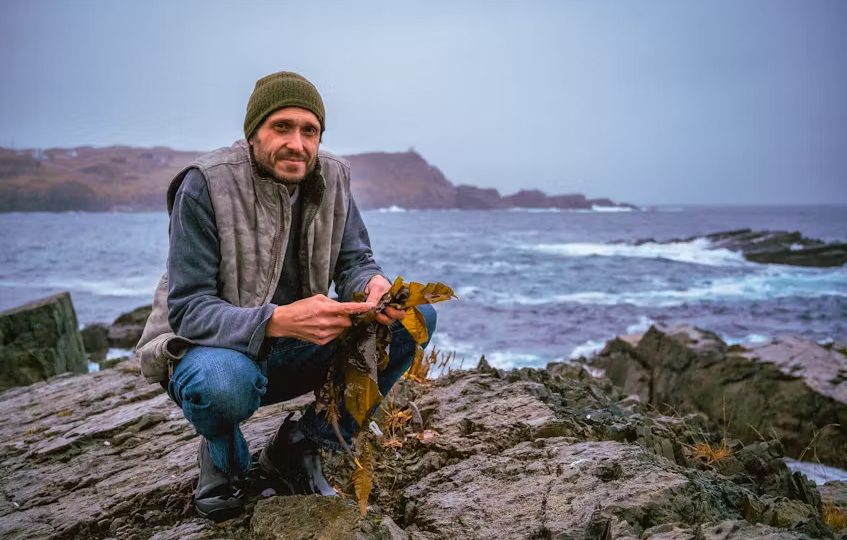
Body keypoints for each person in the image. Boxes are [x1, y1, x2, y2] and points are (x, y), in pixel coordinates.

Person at [135, 71, 437, 522]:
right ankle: (223, 454)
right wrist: (275, 321)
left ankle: (301, 446)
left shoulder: (333, 178)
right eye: (282, 127)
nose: (297, 143)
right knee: (222, 386)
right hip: (211, 351)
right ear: (254, 132)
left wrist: (372, 287)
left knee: (415, 318)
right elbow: (188, 309)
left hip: (298, 345)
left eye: (309, 130)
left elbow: (355, 261)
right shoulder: (205, 185)